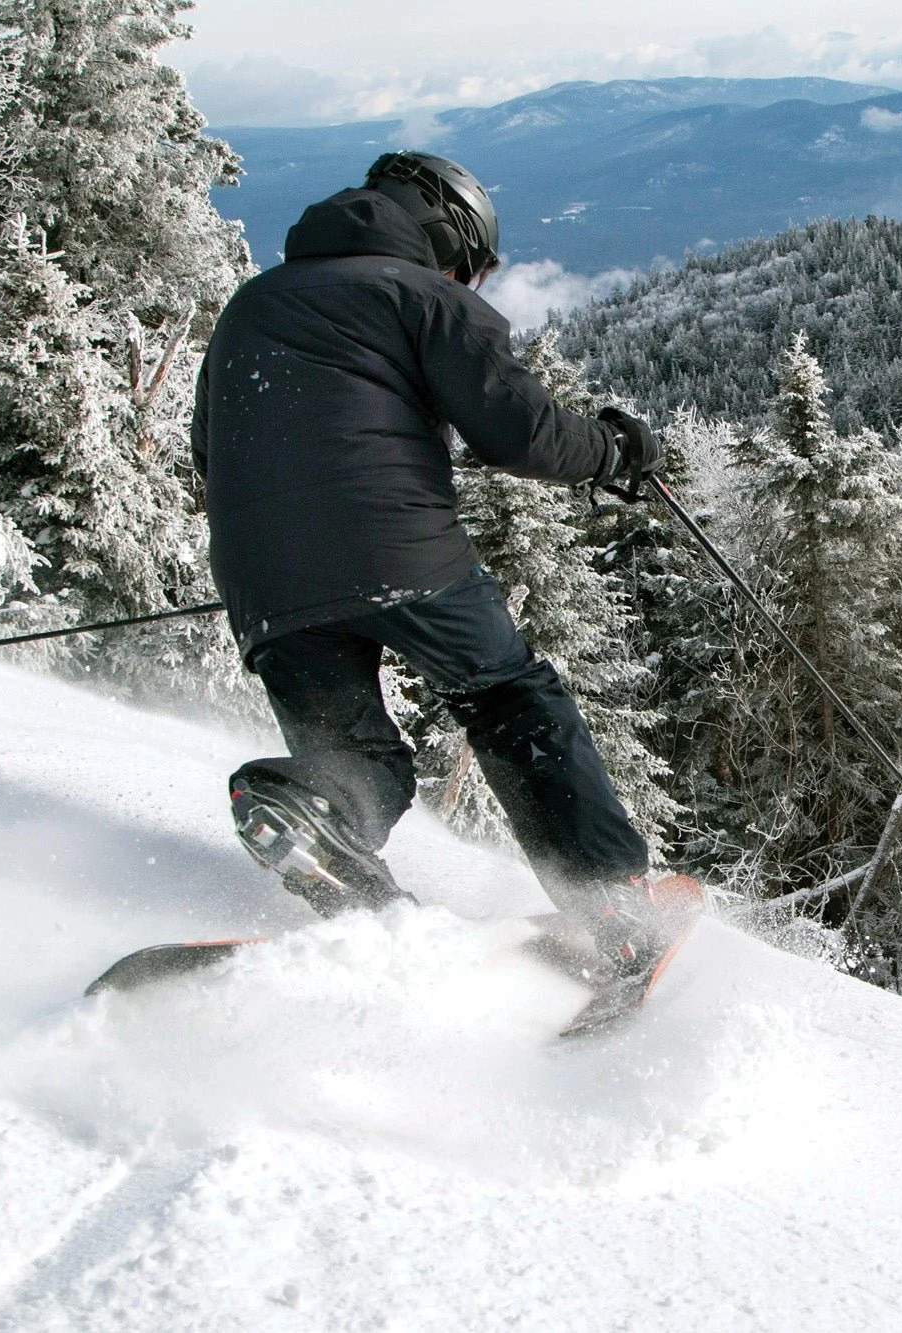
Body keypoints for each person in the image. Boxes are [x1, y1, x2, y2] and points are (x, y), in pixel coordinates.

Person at [191, 150, 668, 974]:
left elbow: (209, 450)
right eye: (467, 265)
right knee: (508, 696)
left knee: (358, 758)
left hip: (259, 580)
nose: (466, 281)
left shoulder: (250, 305)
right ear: (446, 232)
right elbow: (517, 430)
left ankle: (314, 816)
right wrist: (612, 454)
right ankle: (612, 900)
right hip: (394, 546)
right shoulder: (421, 295)